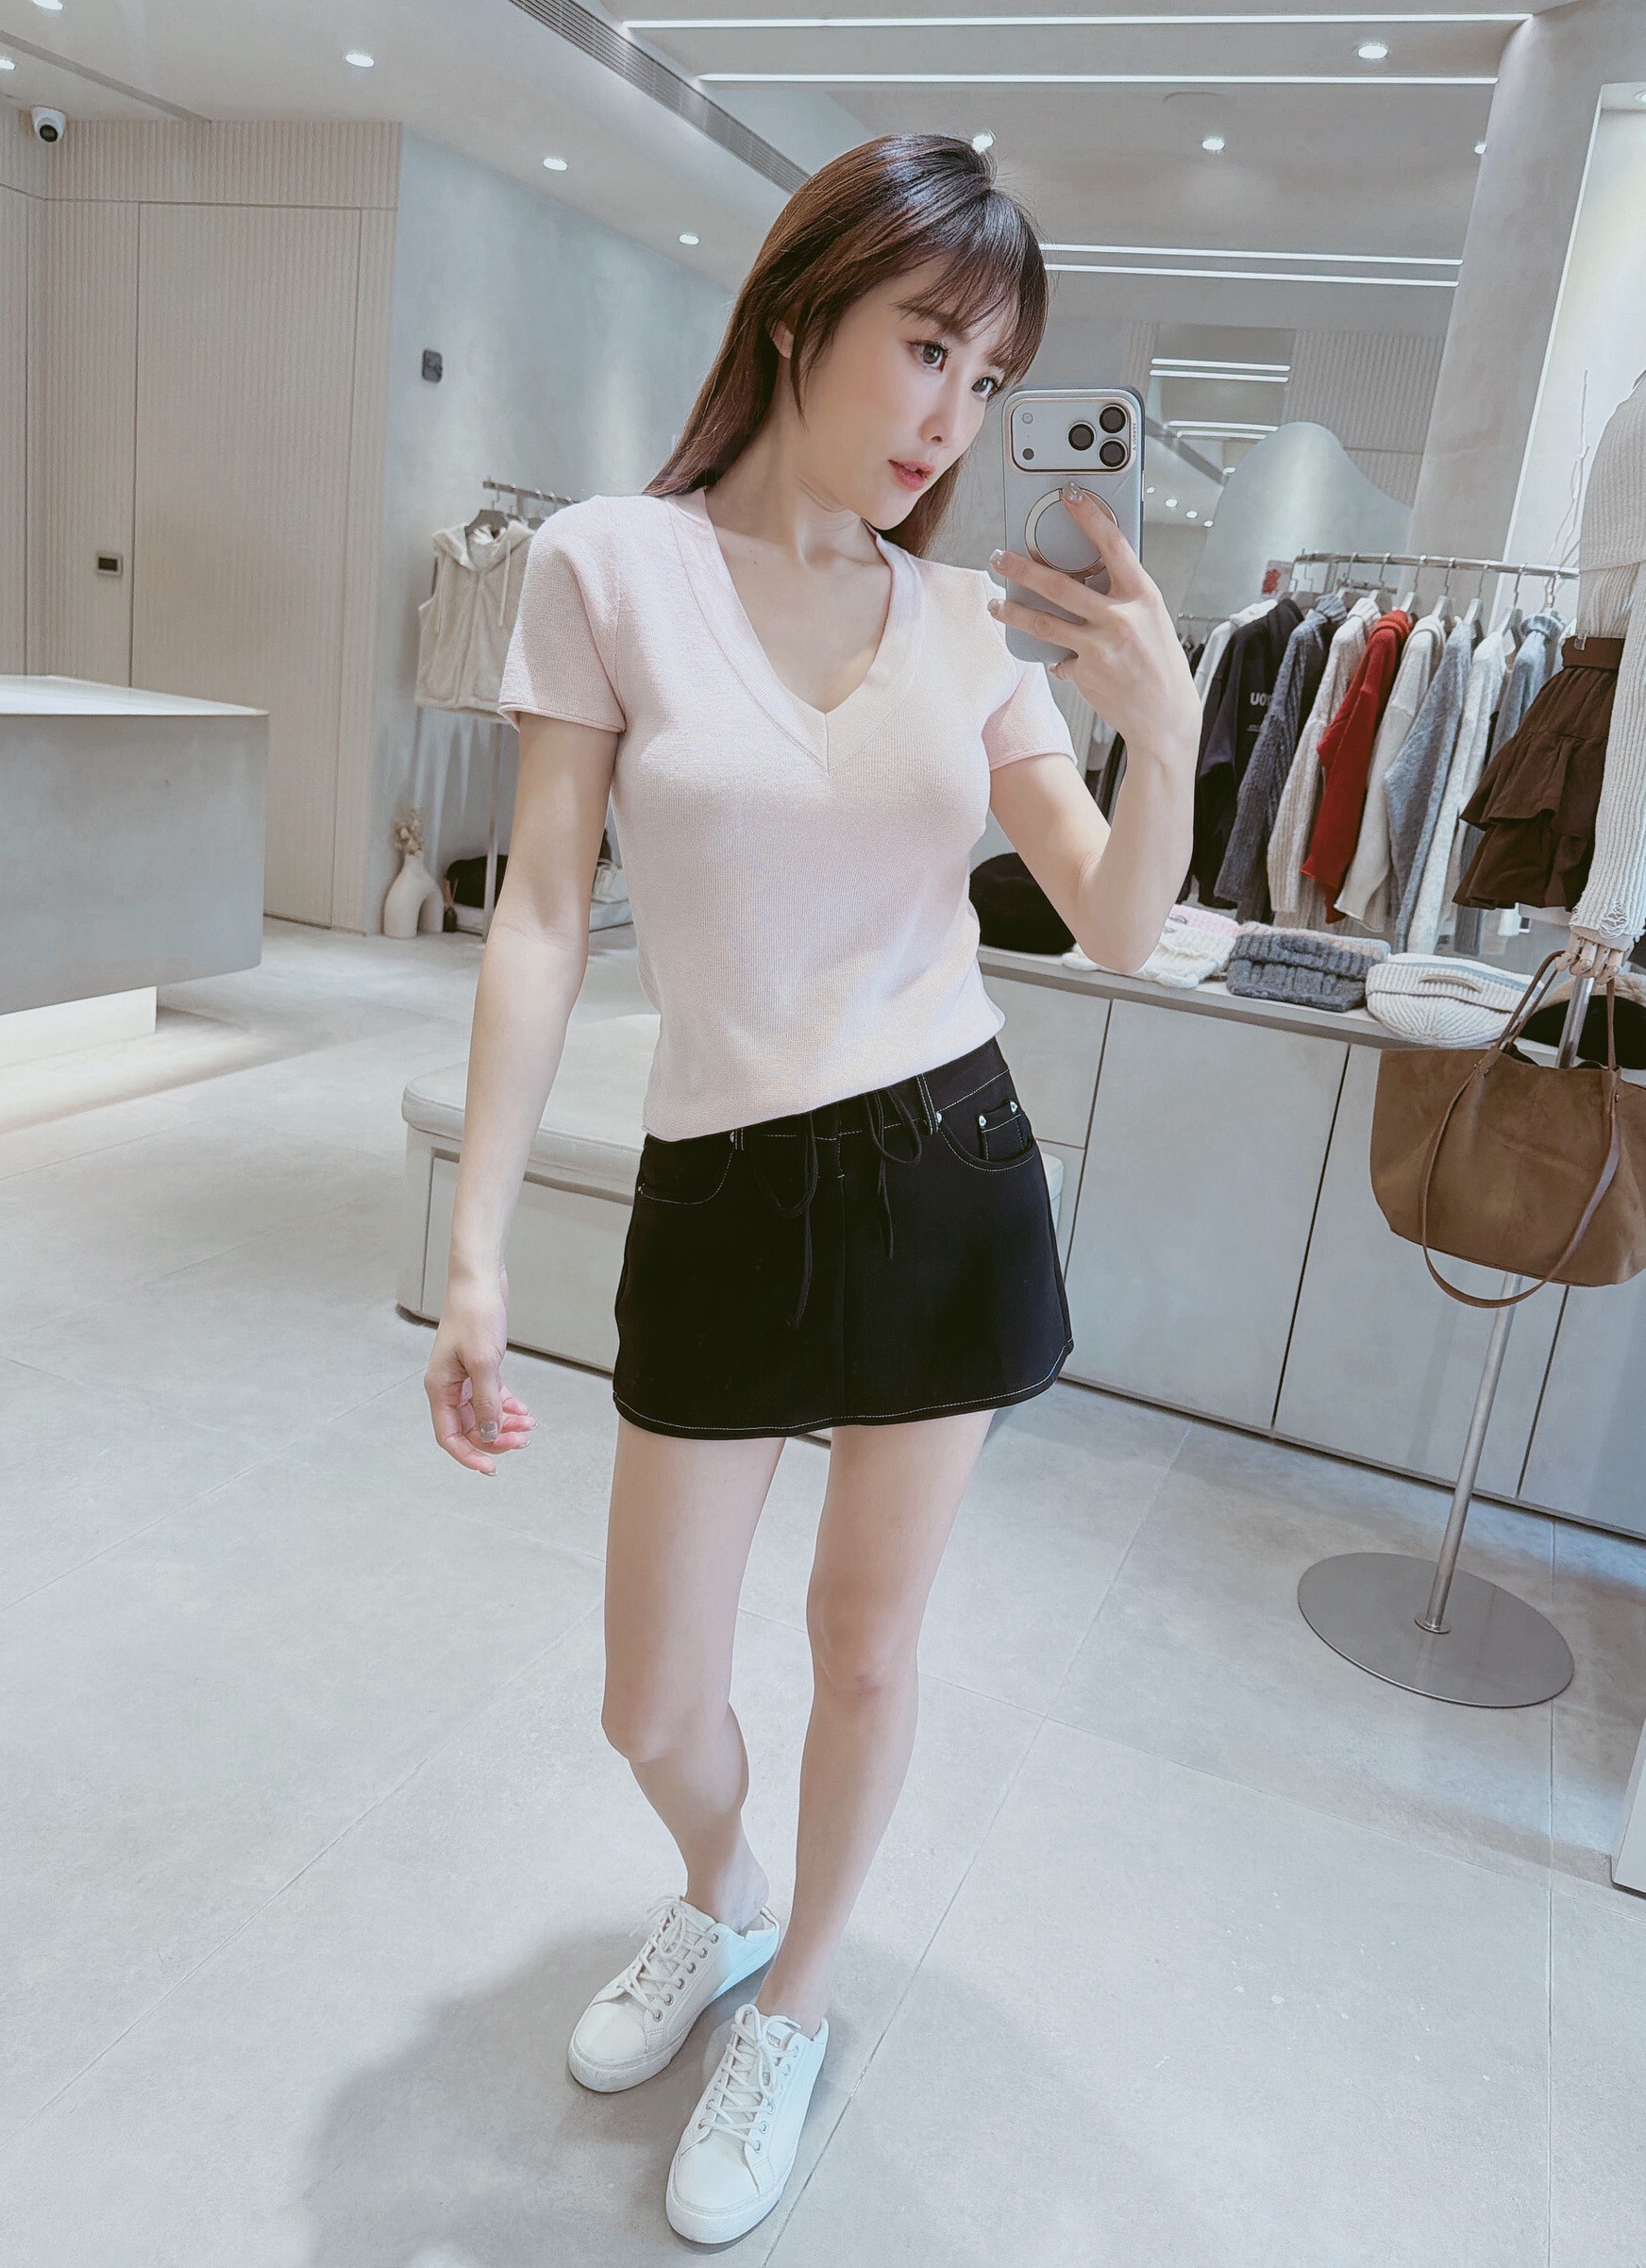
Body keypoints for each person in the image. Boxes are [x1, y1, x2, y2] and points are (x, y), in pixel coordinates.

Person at [422, 131, 1199, 2245]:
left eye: (988, 374)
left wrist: (1163, 734)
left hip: (942, 1163)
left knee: (865, 1646)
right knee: (651, 1696)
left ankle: (797, 2000)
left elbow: (1118, 922)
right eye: (925, 347)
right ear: (798, 314)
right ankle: (724, 1890)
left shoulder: (966, 625)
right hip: (716, 1182)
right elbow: (539, 915)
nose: (951, 415)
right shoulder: (608, 565)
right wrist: (477, 1243)